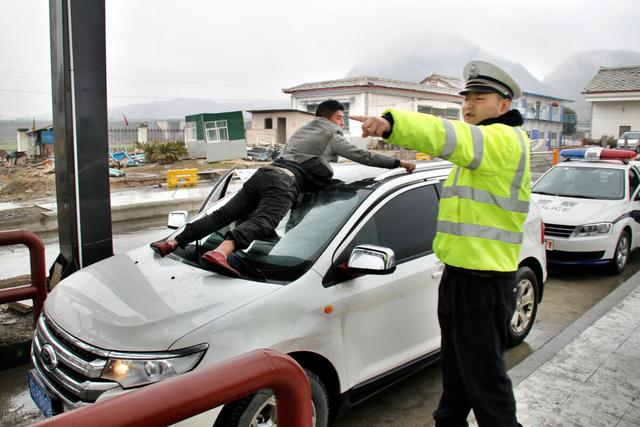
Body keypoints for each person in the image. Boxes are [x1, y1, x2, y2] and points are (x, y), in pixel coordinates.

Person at [351, 60, 530, 427]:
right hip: (461, 277)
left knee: (485, 382)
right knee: (457, 372)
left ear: (504, 105)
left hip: (483, 280)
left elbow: (450, 136)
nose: (468, 105)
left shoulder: (503, 141)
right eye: (466, 99)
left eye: (479, 98)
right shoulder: (482, 150)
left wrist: (394, 124)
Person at [151, 99, 415, 277]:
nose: (342, 123)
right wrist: (398, 162)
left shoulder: (302, 131)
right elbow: (362, 156)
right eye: (340, 118)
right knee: (266, 221)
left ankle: (172, 243)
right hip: (284, 182)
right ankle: (222, 252)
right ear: (332, 117)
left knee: (221, 216)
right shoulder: (331, 133)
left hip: (263, 173)